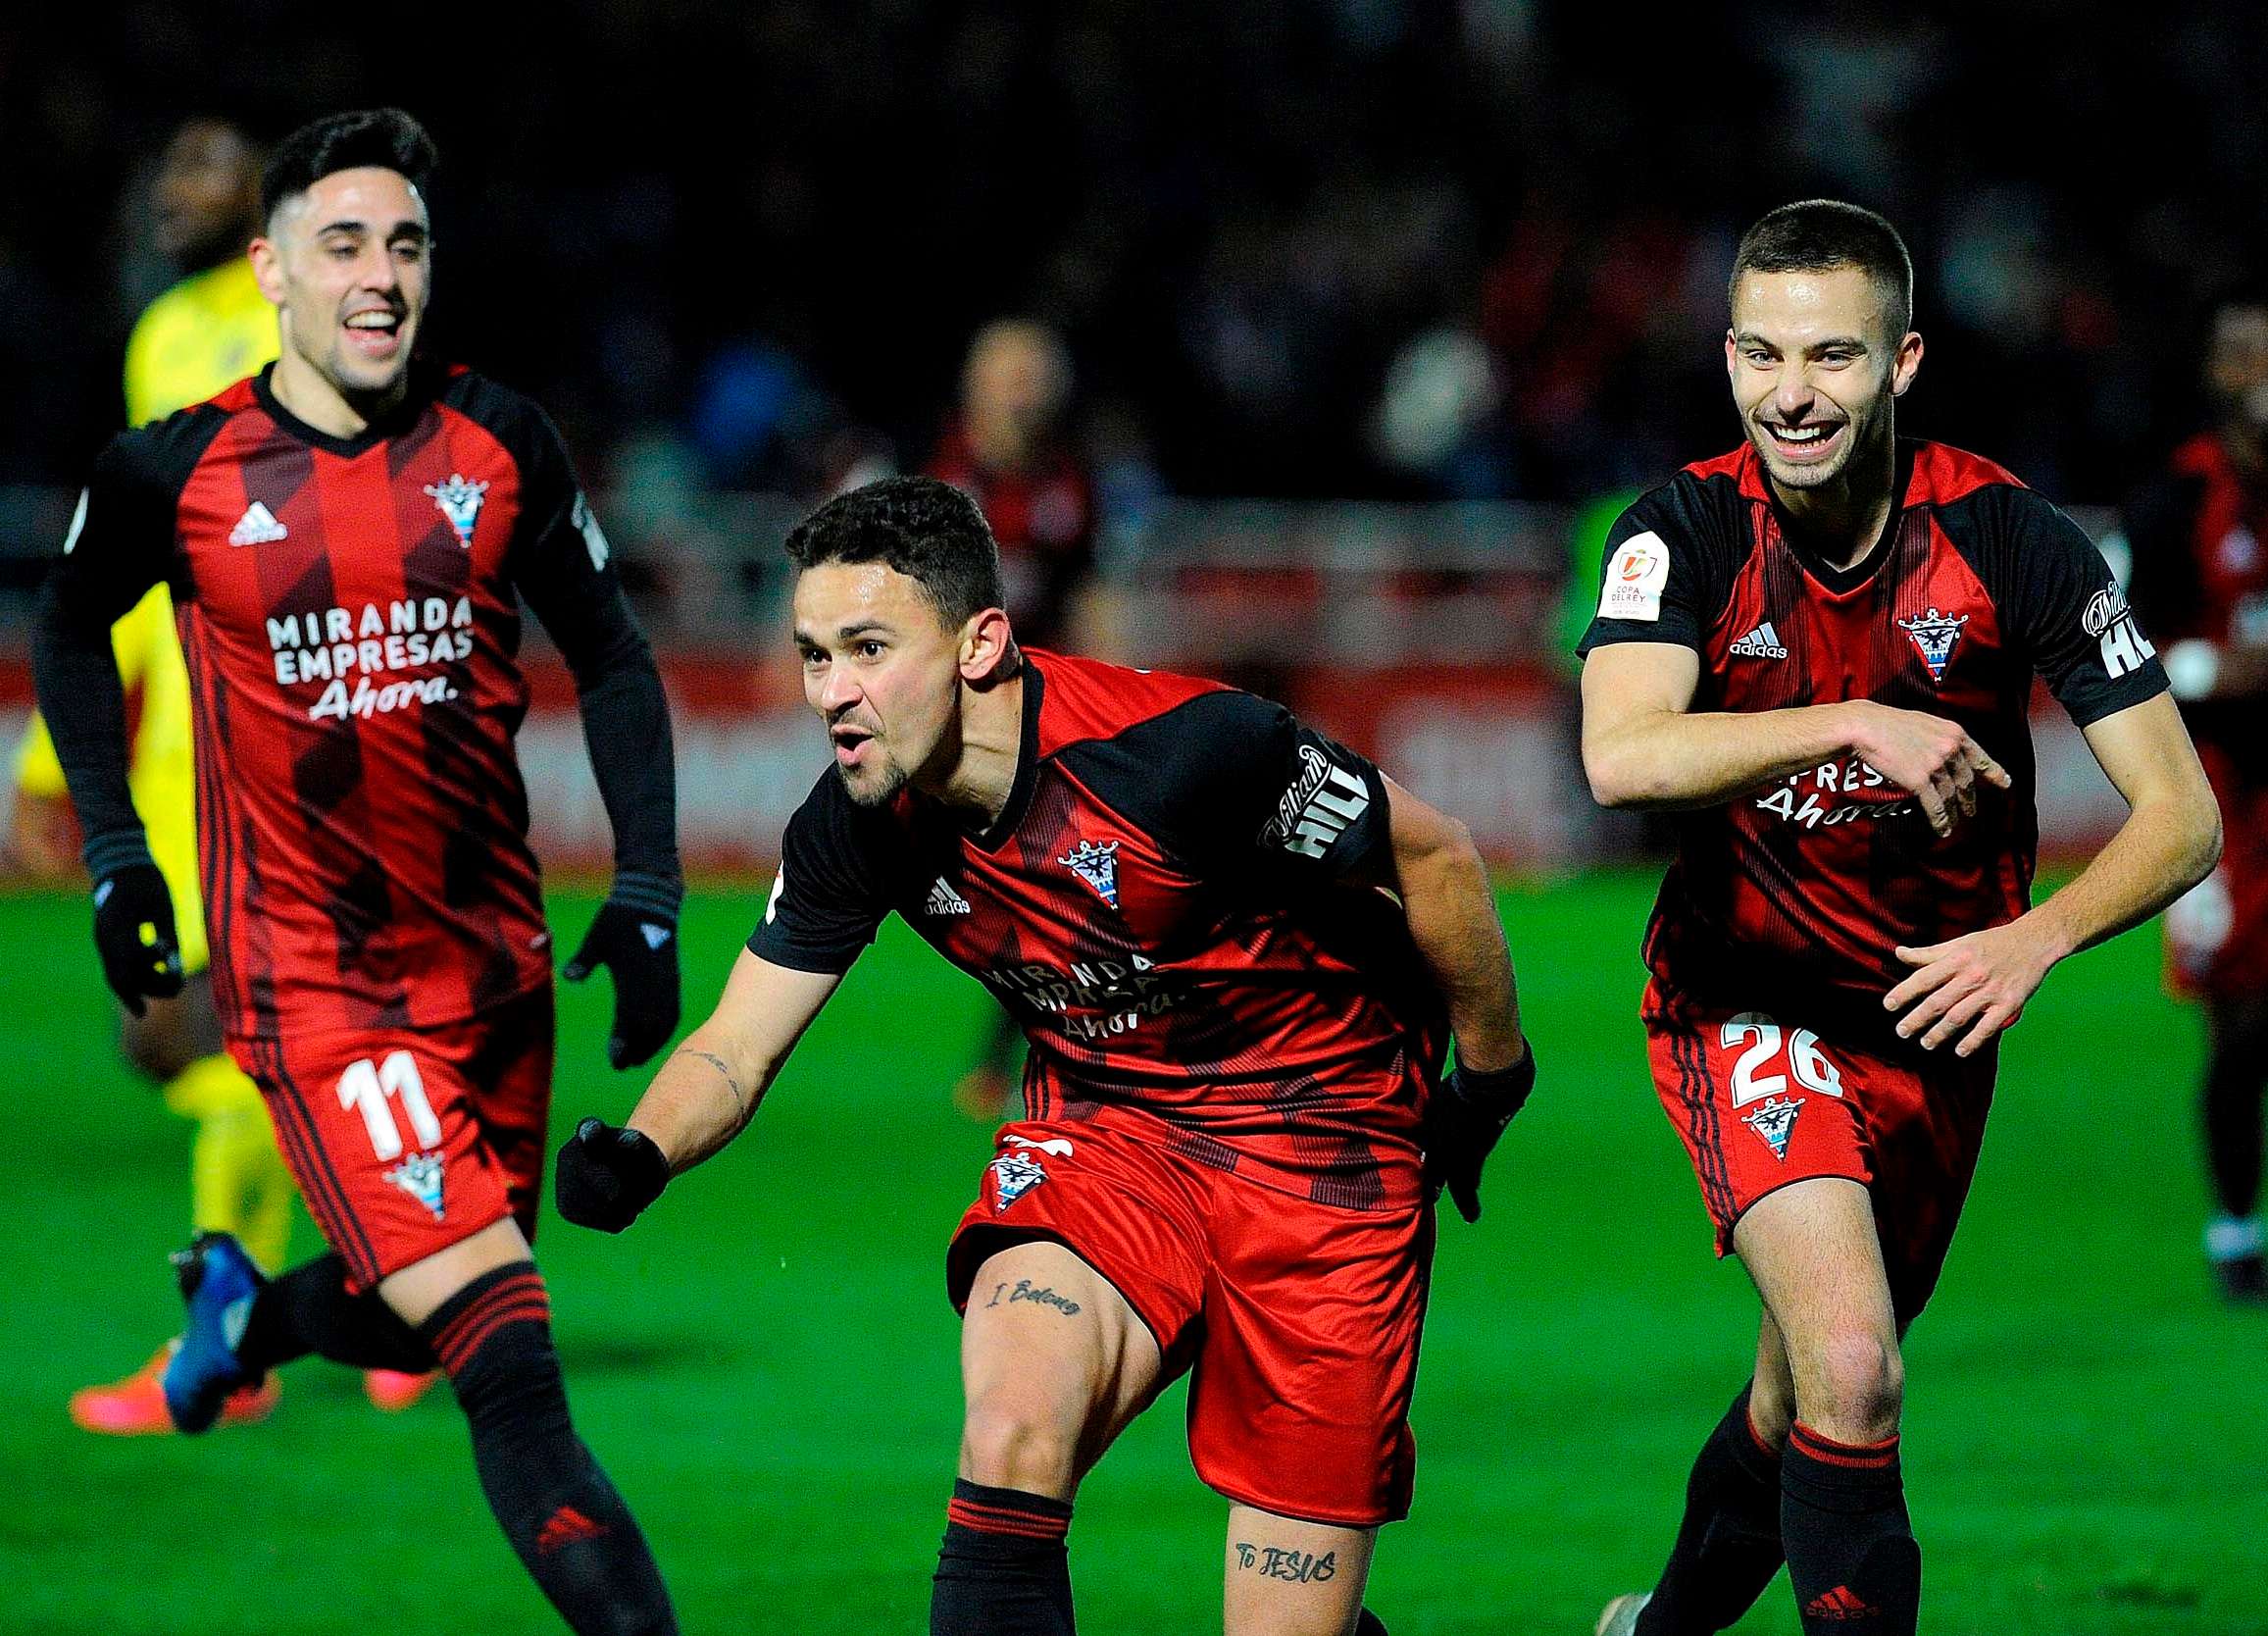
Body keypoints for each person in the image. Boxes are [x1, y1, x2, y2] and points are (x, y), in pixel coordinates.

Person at [553, 475, 1534, 1636]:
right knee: (1013, 1419)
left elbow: (1438, 858)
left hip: (1326, 1156)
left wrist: (1488, 1077)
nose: (833, 693)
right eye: (816, 656)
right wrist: (641, 1152)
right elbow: (734, 1045)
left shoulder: (1184, 756)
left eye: (868, 648)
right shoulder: (854, 825)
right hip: (1113, 1142)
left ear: (980, 645)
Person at [33, 109, 681, 1635]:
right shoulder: (175, 470)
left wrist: (648, 891)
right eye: (343, 244)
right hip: (317, 991)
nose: (379, 275)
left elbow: (612, 651)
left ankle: (248, 1315)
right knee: (511, 1370)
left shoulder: (499, 440)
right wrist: (120, 853)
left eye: (405, 245)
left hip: (497, 971)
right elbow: (67, 628)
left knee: (420, 1299)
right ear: (271, 271)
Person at [1578, 200, 2220, 1636]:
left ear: (1904, 362)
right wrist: (1855, 719)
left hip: (1932, 1019)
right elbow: (1622, 755)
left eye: (1831, 357)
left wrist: (2036, 936)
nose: (1788, 394)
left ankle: (1657, 1629)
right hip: (1742, 998)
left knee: (1797, 1390)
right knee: (1857, 1367)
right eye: (1758, 354)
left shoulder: (2011, 539)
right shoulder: (1680, 527)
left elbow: (2182, 817)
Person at [12, 114, 435, 1433]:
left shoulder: (321, 315)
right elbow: (135, 563)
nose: (175, 187)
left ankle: (233, 1337)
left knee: (248, 1039)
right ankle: (417, 1274)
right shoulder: (161, 338)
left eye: (207, 167)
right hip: (177, 752)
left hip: (298, 741)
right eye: (170, 165)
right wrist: (52, 754)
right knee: (170, 1033)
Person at [2121, 290, 2268, 1302]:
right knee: (2242, 1022)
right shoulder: (2172, 504)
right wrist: (2228, 671)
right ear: (2222, 378)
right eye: (2251, 360)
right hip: (2219, 792)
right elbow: (2121, 663)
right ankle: (2234, 1229)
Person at [926, 318, 1100, 1121]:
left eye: (1037, 375)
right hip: (947, 717)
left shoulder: (1070, 483)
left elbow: (1089, 595)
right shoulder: (936, 477)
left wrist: (1112, 691)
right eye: (1012, 375)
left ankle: (1025, 1055)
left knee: (1053, 884)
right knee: (991, 890)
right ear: (976, 385)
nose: (1026, 392)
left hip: (1041, 716)